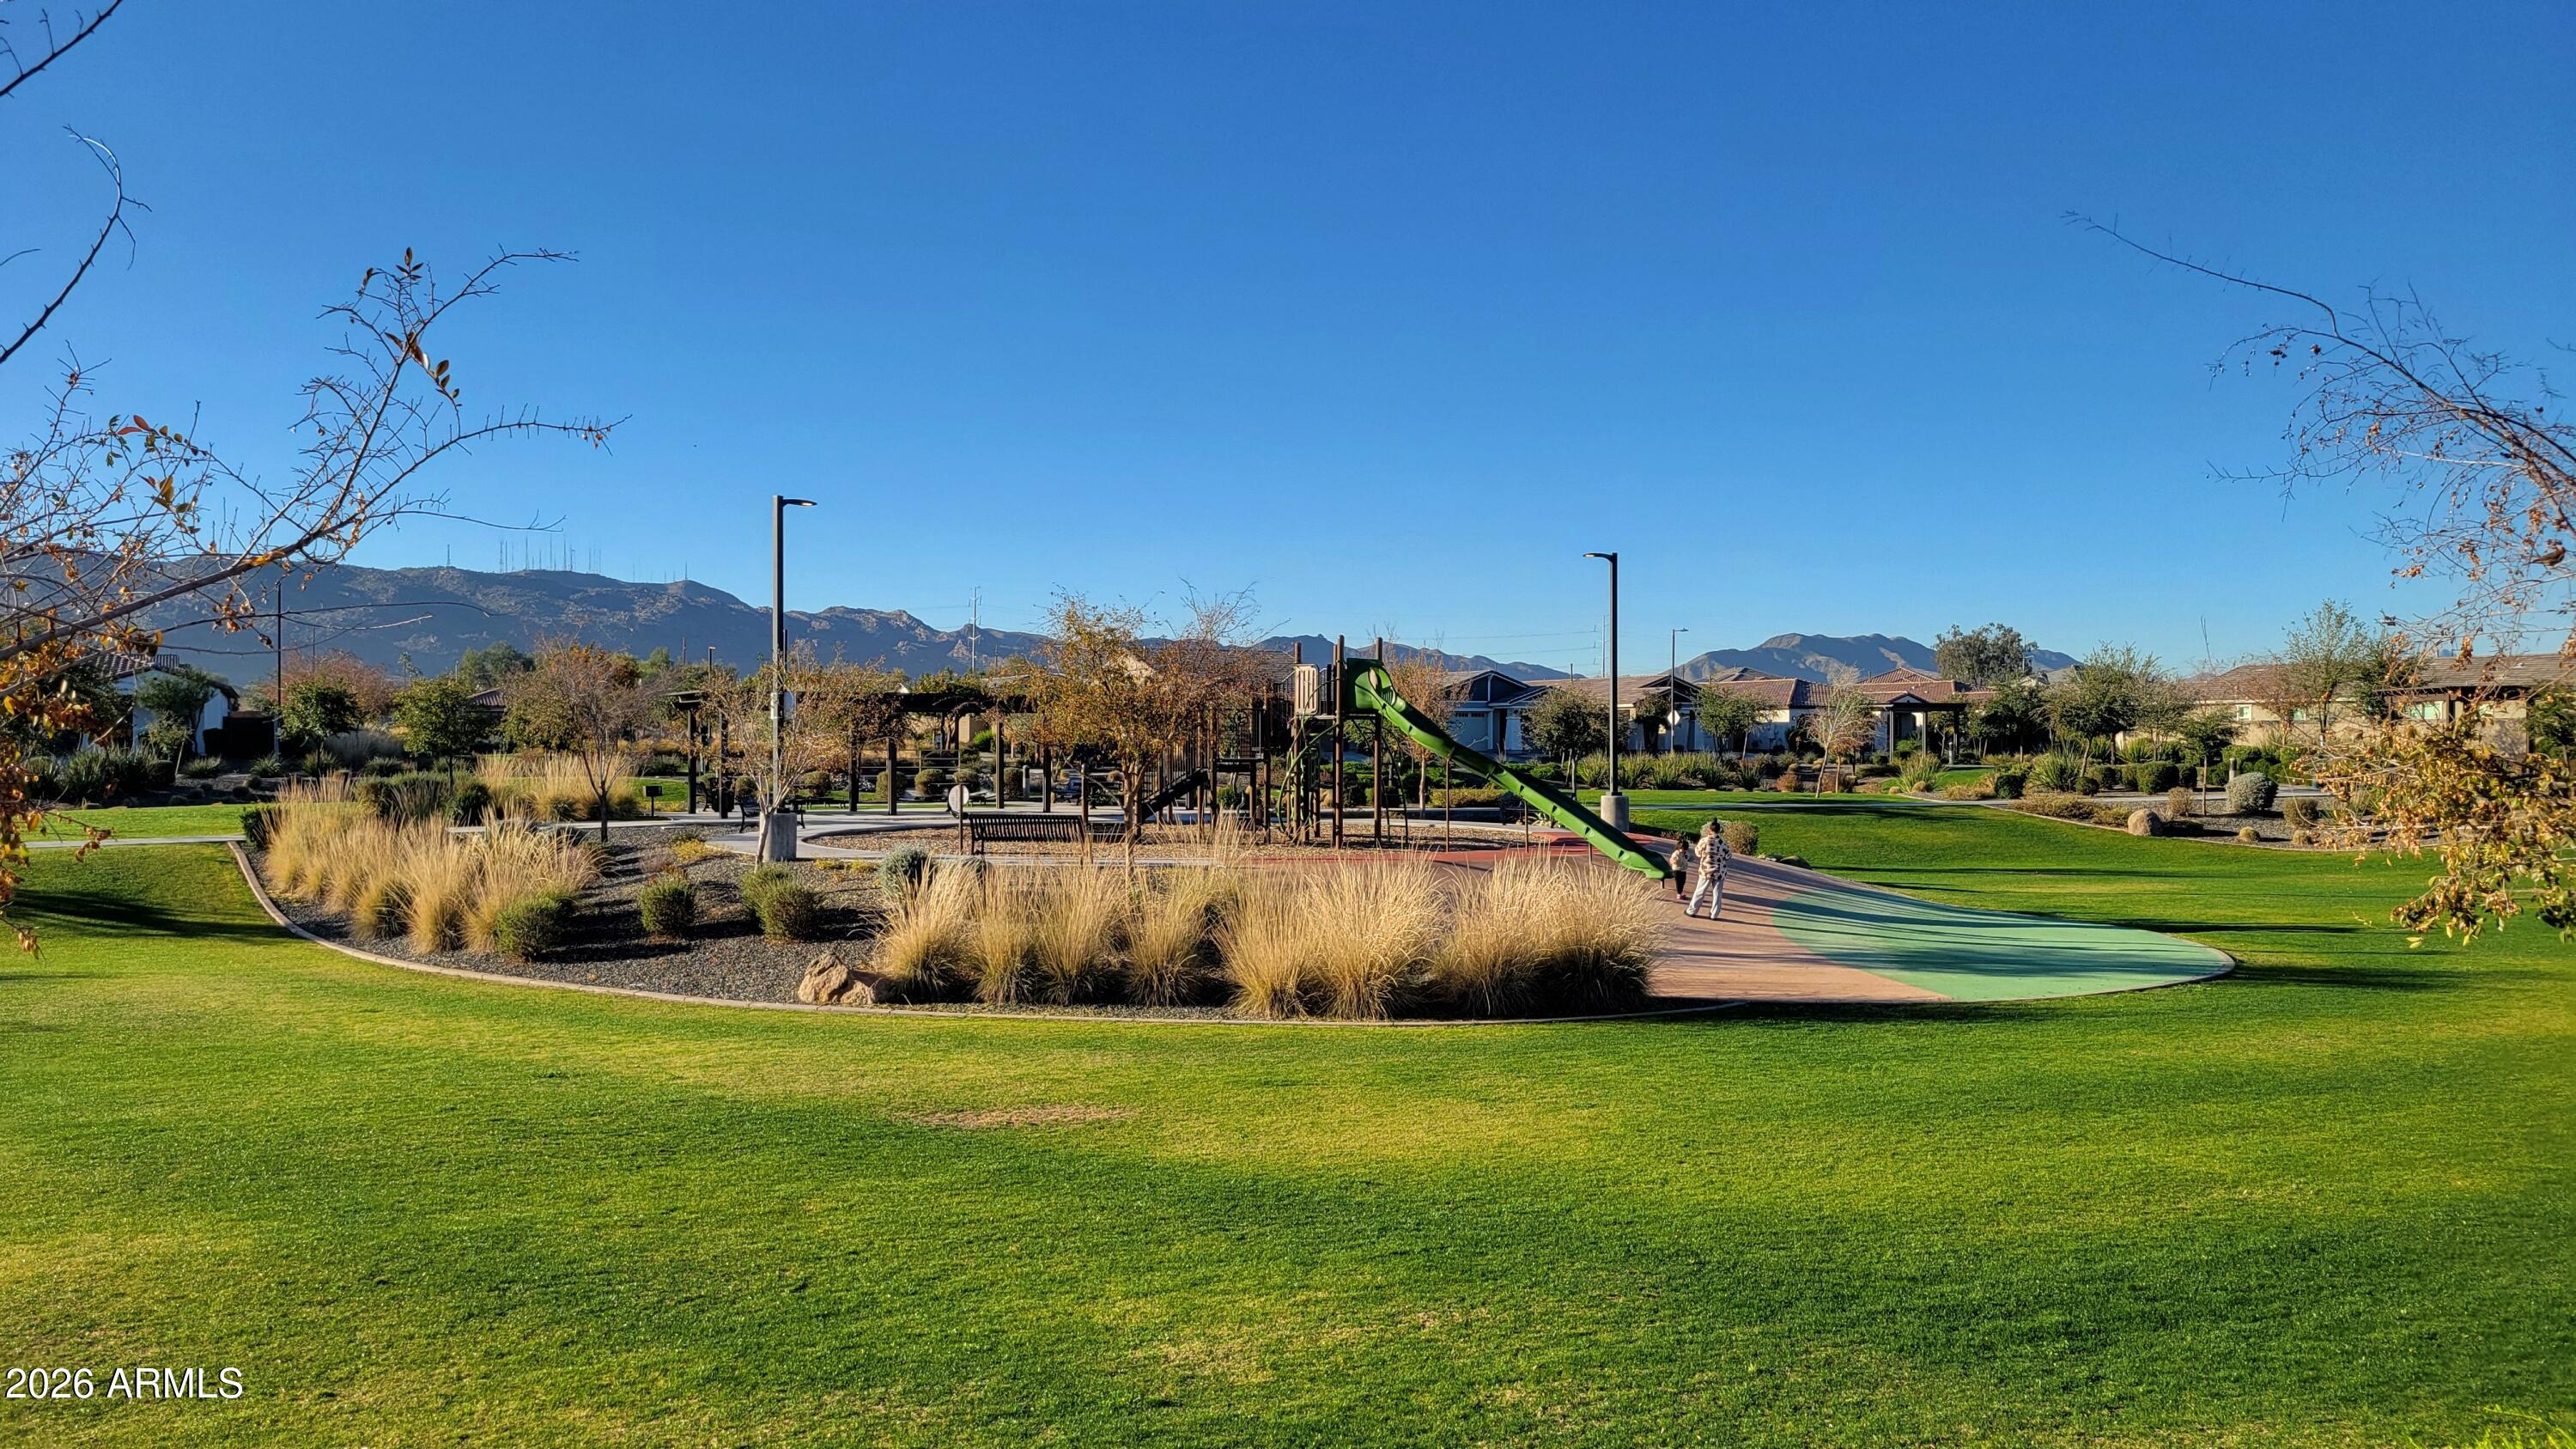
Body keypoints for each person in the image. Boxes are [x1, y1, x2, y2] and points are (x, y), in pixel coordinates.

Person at [1685, 818, 1732, 919]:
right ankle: (1714, 914)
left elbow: (1697, 853)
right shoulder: (1723, 842)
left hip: (1706, 870)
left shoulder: (1704, 841)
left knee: (1700, 891)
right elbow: (1728, 856)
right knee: (1717, 894)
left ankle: (1692, 911)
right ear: (1719, 830)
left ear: (1709, 830)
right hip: (1720, 871)